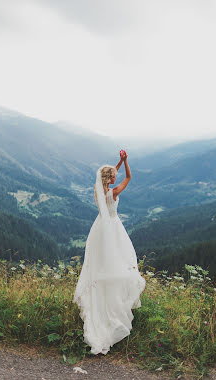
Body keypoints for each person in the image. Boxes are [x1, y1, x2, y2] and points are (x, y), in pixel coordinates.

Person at [73, 150, 146, 355]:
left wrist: (120, 162)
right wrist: (127, 163)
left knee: (100, 265)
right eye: (114, 176)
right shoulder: (113, 193)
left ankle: (101, 302)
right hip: (113, 229)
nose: (117, 177)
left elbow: (108, 175)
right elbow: (129, 178)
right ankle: (113, 309)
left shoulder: (98, 191)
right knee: (119, 263)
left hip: (99, 230)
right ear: (110, 179)